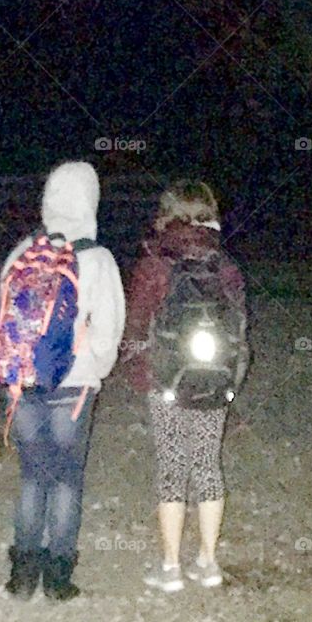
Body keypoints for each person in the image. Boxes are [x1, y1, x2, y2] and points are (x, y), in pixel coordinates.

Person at [1, 161, 125, 600]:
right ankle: (57, 578)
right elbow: (109, 330)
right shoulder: (97, 258)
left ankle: (21, 576)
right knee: (67, 478)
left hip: (23, 384)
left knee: (32, 476)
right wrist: (96, 368)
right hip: (74, 387)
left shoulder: (22, 253)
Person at [121, 180, 247, 591]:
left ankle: (170, 567)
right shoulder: (225, 265)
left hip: (166, 384)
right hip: (214, 382)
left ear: (168, 212)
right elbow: (241, 333)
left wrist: (141, 375)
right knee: (208, 465)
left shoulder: (155, 262)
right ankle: (208, 563)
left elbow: (136, 327)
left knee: (173, 467)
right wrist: (231, 383)